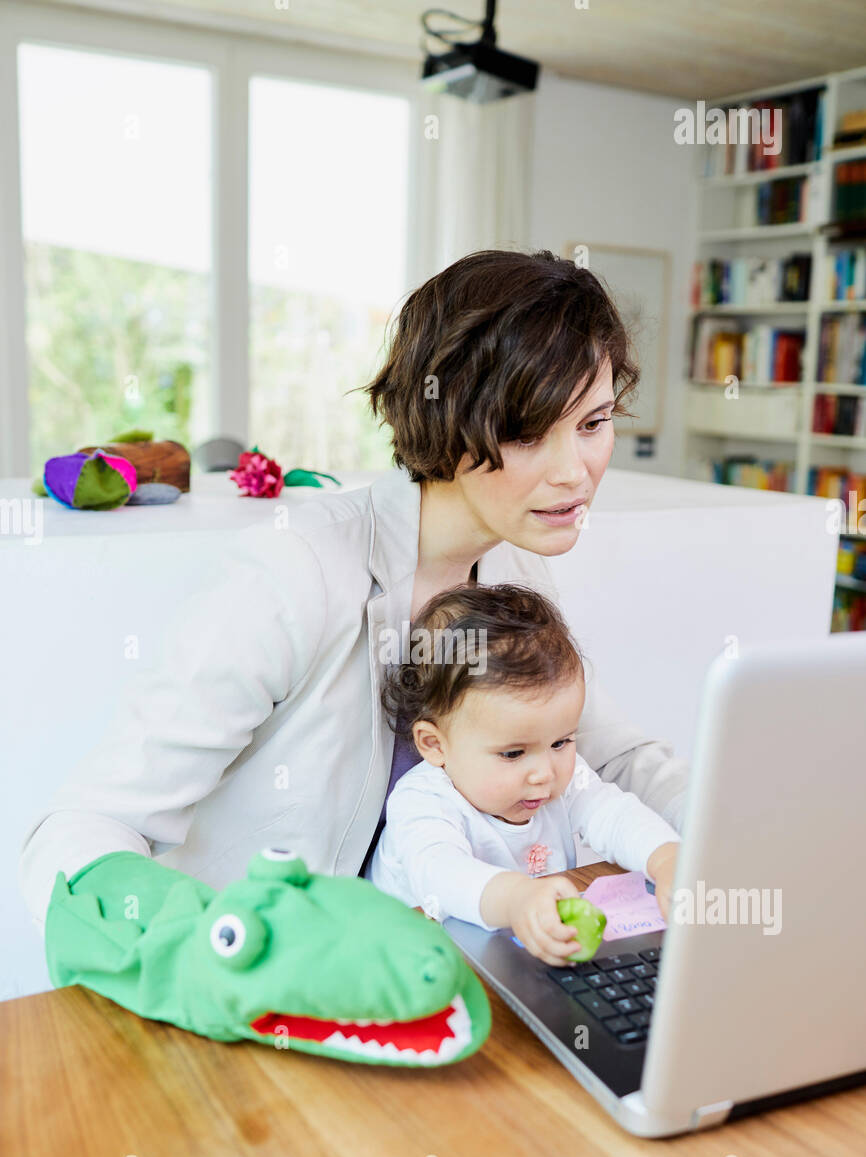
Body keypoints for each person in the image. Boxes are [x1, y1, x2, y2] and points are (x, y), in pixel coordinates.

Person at [19, 248, 690, 936]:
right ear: (446, 417)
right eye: (527, 432)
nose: (576, 473)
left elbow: (618, 758)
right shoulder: (294, 573)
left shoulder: (515, 566)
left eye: (593, 424)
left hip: (439, 974)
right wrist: (200, 955)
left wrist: (735, 842)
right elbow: (83, 830)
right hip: (268, 988)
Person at [366, 583, 680, 965]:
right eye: (513, 753)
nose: (544, 773)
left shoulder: (555, 777)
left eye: (562, 742)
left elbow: (613, 814)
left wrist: (665, 859)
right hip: (412, 960)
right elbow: (440, 873)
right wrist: (516, 899)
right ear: (435, 745)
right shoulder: (422, 801)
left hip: (505, 955)